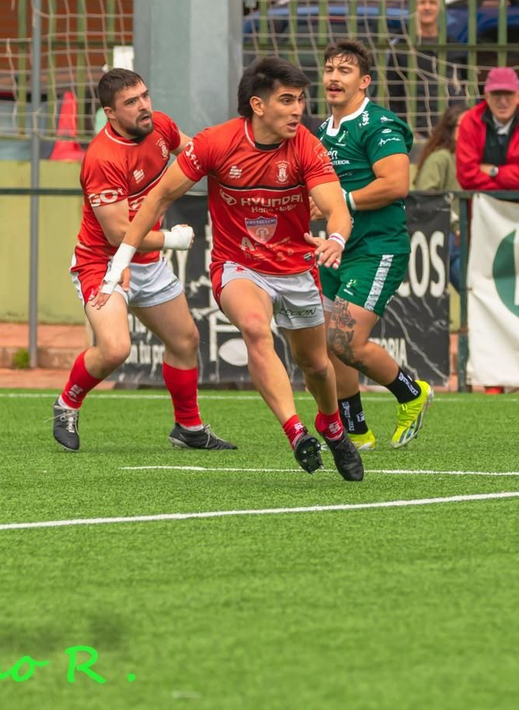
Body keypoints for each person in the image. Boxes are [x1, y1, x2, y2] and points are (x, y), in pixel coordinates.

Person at [94, 57, 364, 481]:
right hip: (238, 265)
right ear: (258, 105)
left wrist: (336, 239)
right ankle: (296, 432)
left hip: (295, 268)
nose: (298, 110)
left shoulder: (307, 146)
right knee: (255, 328)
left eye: (300, 100)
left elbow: (335, 208)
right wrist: (118, 264)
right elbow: (159, 198)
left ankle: (330, 425)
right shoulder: (216, 143)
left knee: (315, 364)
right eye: (287, 100)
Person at [54, 69, 234, 452]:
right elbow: (119, 235)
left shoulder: (160, 126)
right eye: (131, 102)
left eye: (145, 96)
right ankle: (67, 403)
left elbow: (195, 154)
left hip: (148, 263)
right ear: (110, 113)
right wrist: (174, 239)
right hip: (104, 264)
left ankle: (188, 428)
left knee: (185, 340)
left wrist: (237, 169)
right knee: (115, 349)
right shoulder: (102, 158)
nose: (144, 106)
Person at [317, 39, 434, 451]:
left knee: (345, 340)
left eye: (344, 71)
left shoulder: (379, 124)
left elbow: (396, 184)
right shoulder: (322, 131)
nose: (334, 77)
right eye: (329, 69)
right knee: (328, 343)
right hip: (336, 247)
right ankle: (355, 429)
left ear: (364, 81)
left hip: (376, 247)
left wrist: (341, 202)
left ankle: (411, 393)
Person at [455, 67, 519, 199]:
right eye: (496, 94)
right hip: (486, 206)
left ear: (518, 96)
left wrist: (494, 171)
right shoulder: (470, 122)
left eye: (508, 94)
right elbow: (467, 177)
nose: (503, 101)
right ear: (486, 96)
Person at [384, 0, 465, 134]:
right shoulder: (401, 48)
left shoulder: (453, 45)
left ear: (439, 7)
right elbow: (392, 97)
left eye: (432, 2)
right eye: (422, 3)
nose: (427, 7)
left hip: (452, 132)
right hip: (417, 133)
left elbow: (466, 87)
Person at [413, 104, 466, 290]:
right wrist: (455, 225)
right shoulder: (441, 157)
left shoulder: (468, 159)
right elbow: (425, 197)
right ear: (450, 129)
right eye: (464, 126)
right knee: (471, 290)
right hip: (444, 234)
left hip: (462, 235)